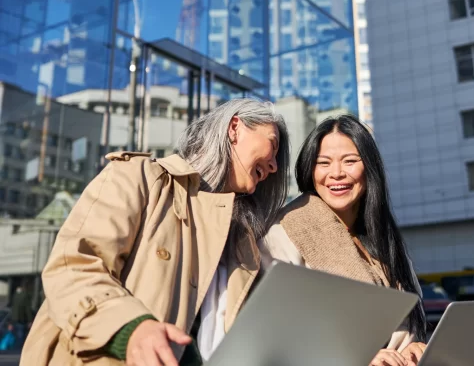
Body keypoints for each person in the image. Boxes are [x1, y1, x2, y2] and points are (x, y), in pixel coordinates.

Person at [21, 98, 289, 366]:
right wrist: (131, 328)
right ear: (234, 128)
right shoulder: (141, 178)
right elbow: (72, 267)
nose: (275, 166)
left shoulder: (245, 246)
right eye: (273, 145)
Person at [261, 114, 427, 366]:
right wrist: (355, 357)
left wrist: (414, 346)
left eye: (350, 161)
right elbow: (276, 333)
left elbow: (408, 322)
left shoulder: (385, 239)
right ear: (310, 169)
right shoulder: (284, 231)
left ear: (369, 169)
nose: (336, 173)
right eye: (323, 163)